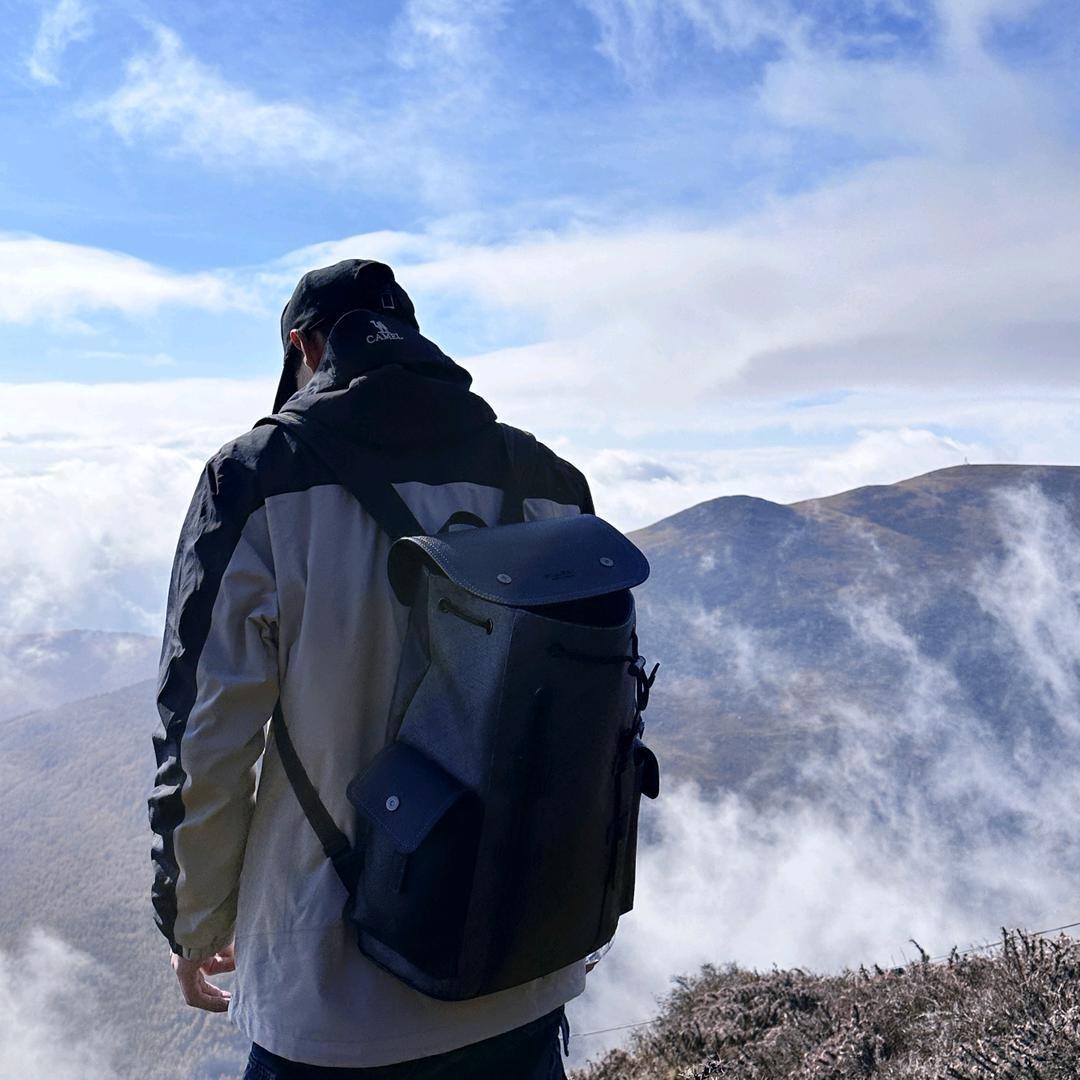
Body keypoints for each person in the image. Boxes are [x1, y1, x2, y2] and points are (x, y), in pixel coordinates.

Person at [149, 259, 596, 1078]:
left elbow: (208, 735)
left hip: (332, 1001)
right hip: (518, 976)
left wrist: (195, 921)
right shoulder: (551, 483)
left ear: (303, 349)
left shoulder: (255, 481)